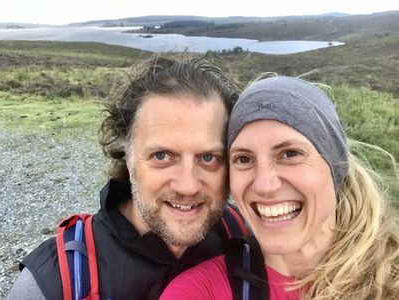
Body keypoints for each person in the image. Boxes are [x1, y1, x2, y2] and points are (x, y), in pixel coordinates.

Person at [6, 54, 245, 300]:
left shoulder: (246, 241)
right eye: (162, 156)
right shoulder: (50, 285)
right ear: (127, 157)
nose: (188, 185)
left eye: (208, 158)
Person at [160, 75, 399, 299]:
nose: (265, 185)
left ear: (336, 165)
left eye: (290, 154)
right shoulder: (199, 291)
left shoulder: (392, 272)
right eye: (243, 159)